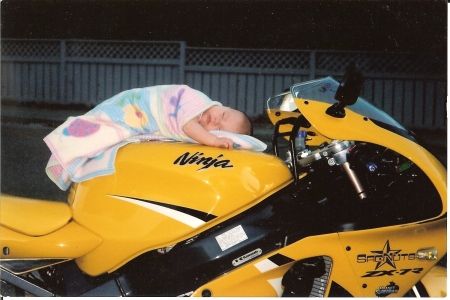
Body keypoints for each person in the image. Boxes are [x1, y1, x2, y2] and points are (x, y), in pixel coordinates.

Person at [43, 84, 257, 190]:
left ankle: (70, 157)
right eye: (223, 115)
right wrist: (213, 141)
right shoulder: (196, 101)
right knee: (103, 127)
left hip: (141, 116)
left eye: (220, 128)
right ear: (223, 105)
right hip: (137, 105)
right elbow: (186, 124)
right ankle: (65, 156)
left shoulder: (203, 119)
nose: (215, 121)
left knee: (106, 135)